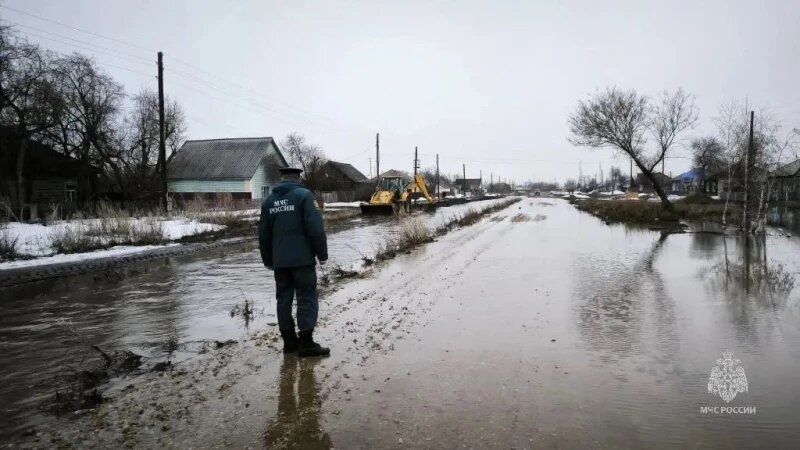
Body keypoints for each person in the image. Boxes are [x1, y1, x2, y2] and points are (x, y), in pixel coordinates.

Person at [259, 167, 330, 357]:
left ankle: (289, 343)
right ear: (298, 178)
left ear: (282, 179)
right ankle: (306, 343)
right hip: (303, 260)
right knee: (306, 297)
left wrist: (268, 260)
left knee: (283, 299)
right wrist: (322, 254)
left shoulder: (269, 201)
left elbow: (263, 235)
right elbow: (315, 228)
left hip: (280, 262)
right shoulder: (304, 196)